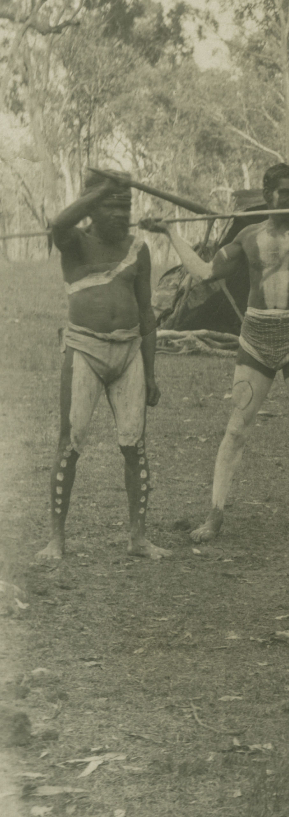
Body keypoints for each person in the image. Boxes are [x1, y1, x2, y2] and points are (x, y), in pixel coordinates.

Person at [149, 163, 289, 547]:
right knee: (236, 429)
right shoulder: (248, 236)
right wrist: (170, 231)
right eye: (285, 192)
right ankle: (215, 516)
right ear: (267, 194)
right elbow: (204, 272)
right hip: (256, 339)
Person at [38, 172, 164, 561]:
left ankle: (138, 538)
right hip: (84, 351)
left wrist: (151, 371)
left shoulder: (138, 249)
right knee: (70, 445)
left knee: (134, 446)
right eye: (112, 206)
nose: (121, 215)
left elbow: (145, 314)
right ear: (92, 207)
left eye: (126, 206)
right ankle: (56, 541)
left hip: (128, 355)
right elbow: (58, 223)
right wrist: (100, 192)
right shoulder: (74, 243)